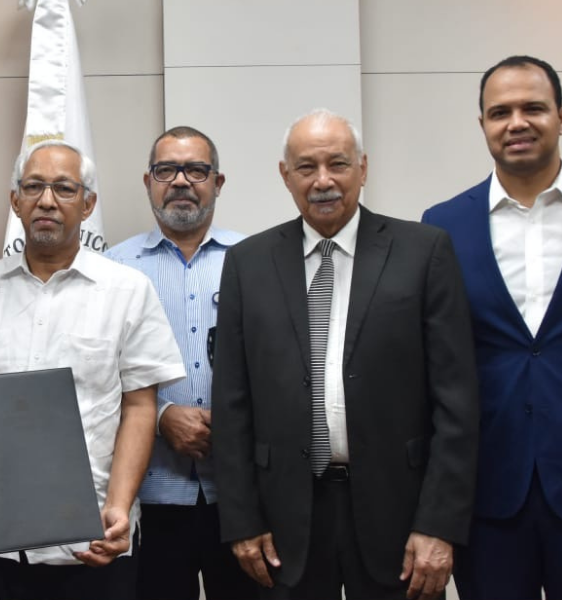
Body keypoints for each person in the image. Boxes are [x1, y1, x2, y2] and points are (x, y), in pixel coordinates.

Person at [212, 109, 480, 600]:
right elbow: (232, 405)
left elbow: (457, 403)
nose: (323, 181)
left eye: (338, 164)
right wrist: (241, 520)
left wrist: (440, 525)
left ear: (363, 167)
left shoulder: (424, 252)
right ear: (284, 175)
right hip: (283, 522)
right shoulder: (247, 264)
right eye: (306, 168)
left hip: (400, 520)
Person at [0, 139, 186, 600]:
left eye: (64, 188)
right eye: (33, 186)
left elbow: (140, 406)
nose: (46, 200)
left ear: (88, 204)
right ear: (15, 200)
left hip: (92, 536)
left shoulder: (127, 290)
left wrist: (120, 507)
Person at [421, 54, 562, 600]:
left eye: (533, 108)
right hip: (488, 497)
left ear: (559, 115)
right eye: (500, 112)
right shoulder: (442, 226)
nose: (517, 123)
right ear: (482, 124)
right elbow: (436, 369)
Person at [105, 127, 255, 600]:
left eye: (196, 169)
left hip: (242, 495)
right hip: (149, 496)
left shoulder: (256, 261)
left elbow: (282, 367)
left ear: (219, 181)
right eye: (166, 169)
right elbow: (94, 374)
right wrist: (163, 416)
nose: (181, 181)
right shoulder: (113, 269)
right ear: (148, 181)